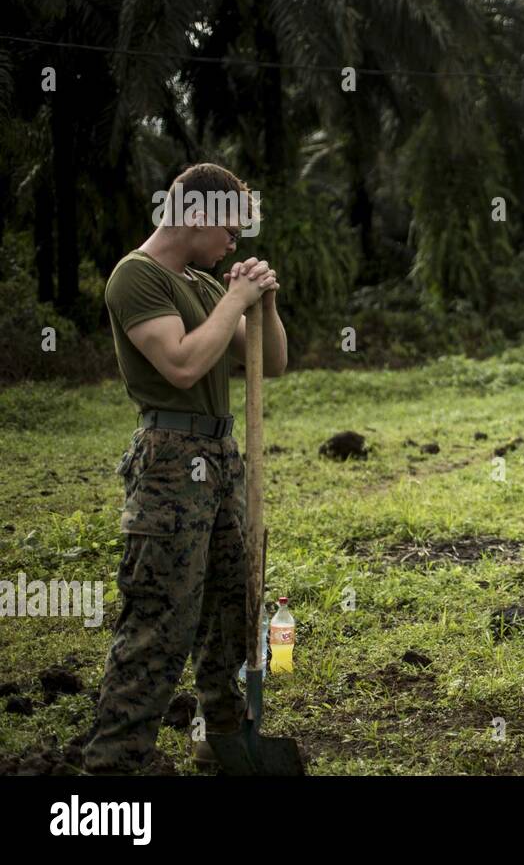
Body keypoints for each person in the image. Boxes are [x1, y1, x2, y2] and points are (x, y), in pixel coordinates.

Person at [84, 162, 288, 772]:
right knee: (162, 616)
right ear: (198, 215)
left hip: (222, 458)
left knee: (233, 604)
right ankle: (116, 761)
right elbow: (179, 364)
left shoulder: (200, 285)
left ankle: (222, 733)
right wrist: (235, 298)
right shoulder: (136, 277)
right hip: (171, 464)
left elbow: (269, 362)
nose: (236, 242)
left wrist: (265, 303)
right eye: (231, 229)